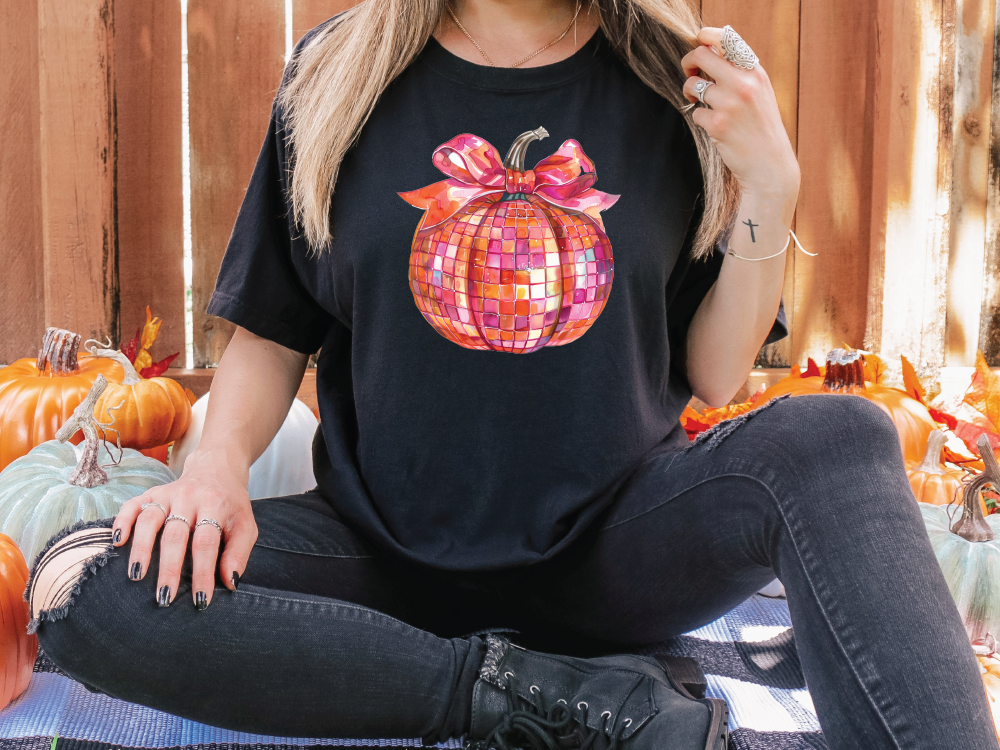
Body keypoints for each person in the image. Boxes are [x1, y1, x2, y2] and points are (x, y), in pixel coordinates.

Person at [24, 1, 998, 748]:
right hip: (377, 558)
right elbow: (273, 334)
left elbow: (713, 370)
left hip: (617, 553)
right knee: (83, 581)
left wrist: (771, 186)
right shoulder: (333, 78)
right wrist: (212, 475)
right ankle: (540, 702)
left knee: (840, 435)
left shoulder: (678, 81)